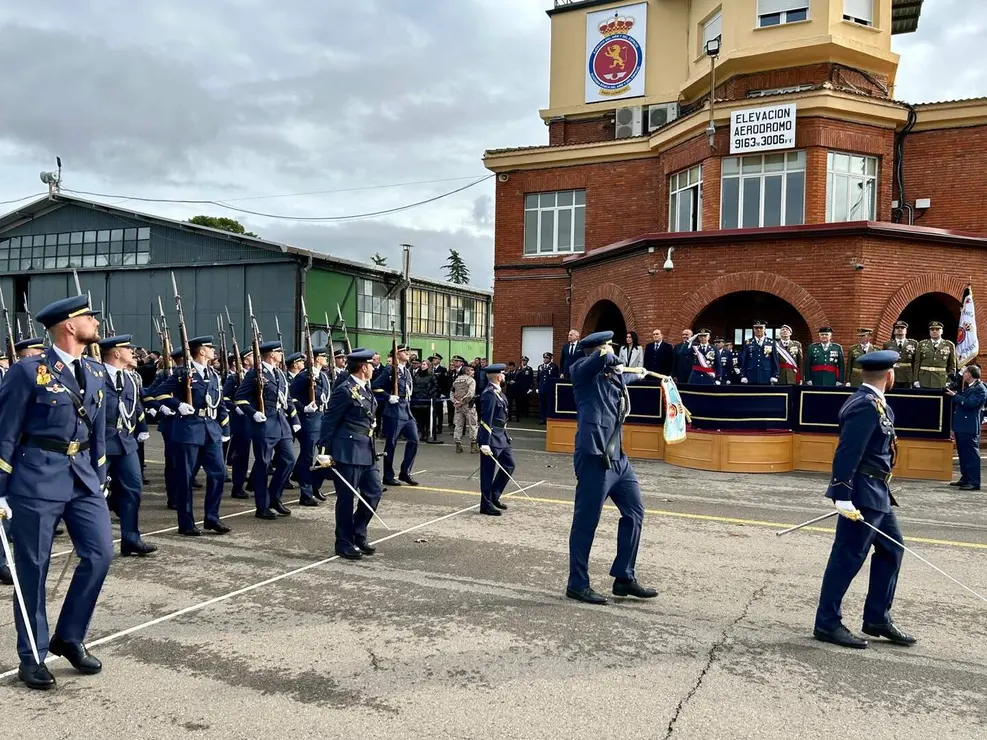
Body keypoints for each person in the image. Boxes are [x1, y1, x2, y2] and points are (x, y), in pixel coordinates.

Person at [0, 294, 113, 690]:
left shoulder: (96, 372)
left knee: (100, 554)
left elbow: (99, 432)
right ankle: (32, 654)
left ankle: (68, 636)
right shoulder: (28, 372)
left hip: (82, 479)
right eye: (89, 317)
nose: (96, 322)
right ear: (69, 325)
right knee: (33, 569)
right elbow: (5, 433)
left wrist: (100, 474)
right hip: (36, 478)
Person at [813, 349, 916, 650]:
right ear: (890, 375)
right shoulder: (864, 406)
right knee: (847, 558)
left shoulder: (878, 404)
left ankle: (876, 617)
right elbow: (847, 452)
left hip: (878, 493)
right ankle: (827, 623)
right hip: (861, 493)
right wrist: (842, 495)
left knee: (892, 549)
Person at [566, 331, 657, 605]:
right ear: (597, 349)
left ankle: (624, 577)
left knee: (635, 512)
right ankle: (577, 584)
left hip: (617, 455)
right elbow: (602, 361)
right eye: (607, 346)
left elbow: (625, 375)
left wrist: (641, 372)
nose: (611, 351)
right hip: (594, 455)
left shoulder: (609, 374)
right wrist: (610, 356)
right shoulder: (582, 370)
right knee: (586, 521)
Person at [155, 336, 231, 536]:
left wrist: (225, 428)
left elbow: (219, 402)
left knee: (218, 474)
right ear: (201, 351)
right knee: (185, 478)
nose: (214, 351)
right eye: (210, 348)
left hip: (211, 429)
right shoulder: (182, 373)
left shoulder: (213, 374)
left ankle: (212, 517)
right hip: (188, 429)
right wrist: (177, 404)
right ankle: (186, 523)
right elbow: (159, 393)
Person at [315, 349, 382, 560]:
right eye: (371, 365)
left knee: (373, 492)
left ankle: (358, 532)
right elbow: (329, 420)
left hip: (367, 449)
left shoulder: (365, 388)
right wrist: (323, 451)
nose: (373, 368)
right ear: (364, 367)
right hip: (348, 451)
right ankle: (343, 542)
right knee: (346, 499)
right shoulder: (344, 390)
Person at [99, 334, 156, 556]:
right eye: (127, 349)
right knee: (98, 493)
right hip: (103, 442)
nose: (132, 352)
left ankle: (131, 538)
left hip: (126, 443)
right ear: (115, 353)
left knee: (134, 489)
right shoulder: (95, 376)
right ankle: (99, 541)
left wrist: (141, 430)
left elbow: (137, 406)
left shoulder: (131, 378)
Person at [235, 341, 301, 519]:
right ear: (271, 354)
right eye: (279, 352)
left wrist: (294, 418)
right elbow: (240, 398)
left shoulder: (278, 373)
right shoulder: (255, 373)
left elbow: (286, 398)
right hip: (264, 424)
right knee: (263, 465)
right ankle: (262, 506)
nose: (282, 354)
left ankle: (274, 497)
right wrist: (253, 413)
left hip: (281, 423)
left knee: (288, 461)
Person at [372, 343, 420, 487]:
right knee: (391, 443)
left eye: (407, 351)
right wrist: (388, 396)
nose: (407, 353)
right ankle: (388, 475)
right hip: (393, 411)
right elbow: (375, 386)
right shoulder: (389, 370)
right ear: (396, 355)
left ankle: (405, 472)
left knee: (414, 440)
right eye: (404, 351)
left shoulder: (406, 371)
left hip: (406, 409)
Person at [290, 346, 332, 506]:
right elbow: (290, 397)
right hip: (309, 419)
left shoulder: (323, 376)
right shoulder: (303, 376)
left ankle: (316, 484)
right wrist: (303, 407)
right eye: (323, 356)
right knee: (307, 456)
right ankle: (305, 493)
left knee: (325, 454)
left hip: (322, 418)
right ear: (316, 358)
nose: (326, 358)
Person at [477, 364, 513, 516]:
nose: (504, 377)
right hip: (491, 438)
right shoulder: (489, 394)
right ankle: (485, 504)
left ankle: (494, 495)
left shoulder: (500, 393)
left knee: (509, 465)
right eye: (503, 375)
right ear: (499, 377)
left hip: (501, 437)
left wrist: (505, 434)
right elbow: (486, 419)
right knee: (487, 472)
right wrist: (484, 442)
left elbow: (501, 418)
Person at [947, 365, 986, 491]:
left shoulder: (979, 388)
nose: (963, 375)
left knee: (971, 455)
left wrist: (955, 396)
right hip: (961, 426)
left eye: (965, 373)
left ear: (970, 374)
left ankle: (974, 482)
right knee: (963, 454)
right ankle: (965, 478)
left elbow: (970, 404)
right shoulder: (969, 387)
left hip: (969, 426)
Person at [914, 321, 957, 389]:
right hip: (924, 379)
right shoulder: (922, 344)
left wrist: (949, 380)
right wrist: (916, 380)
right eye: (932, 329)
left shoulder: (949, 345)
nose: (934, 331)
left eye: (937, 329)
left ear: (942, 331)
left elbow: (952, 365)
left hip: (941, 380)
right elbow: (917, 363)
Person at [740, 320, 778, 385]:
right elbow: (744, 360)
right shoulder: (748, 342)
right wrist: (743, 375)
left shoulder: (771, 342)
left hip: (766, 375)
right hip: (751, 375)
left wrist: (775, 375)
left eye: (761, 328)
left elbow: (775, 360)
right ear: (753, 329)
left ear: (765, 329)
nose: (758, 330)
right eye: (756, 328)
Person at [883, 320, 918, 389]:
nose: (899, 329)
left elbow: (916, 362)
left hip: (907, 376)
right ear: (894, 331)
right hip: (893, 376)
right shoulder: (887, 344)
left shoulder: (913, 343)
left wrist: (915, 378)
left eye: (902, 328)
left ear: (906, 331)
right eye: (897, 328)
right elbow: (885, 362)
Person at [452, 364, 479, 453]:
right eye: (472, 370)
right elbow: (471, 394)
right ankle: (473, 445)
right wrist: (463, 402)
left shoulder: (456, 380)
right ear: (467, 371)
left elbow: (451, 392)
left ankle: (458, 444)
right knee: (473, 425)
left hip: (458, 407)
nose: (473, 371)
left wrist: (455, 402)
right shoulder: (471, 380)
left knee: (458, 425)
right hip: (469, 406)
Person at [536, 351, 559, 424]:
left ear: (550, 359)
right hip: (542, 388)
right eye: (544, 358)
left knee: (549, 404)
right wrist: (537, 387)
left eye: (547, 358)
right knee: (541, 404)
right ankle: (543, 418)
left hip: (549, 388)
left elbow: (556, 378)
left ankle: (549, 418)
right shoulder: (540, 367)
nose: (545, 359)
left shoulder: (554, 366)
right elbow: (538, 378)